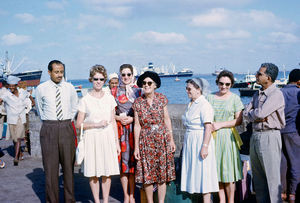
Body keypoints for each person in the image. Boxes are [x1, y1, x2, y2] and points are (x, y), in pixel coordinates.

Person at [35, 60, 78, 203]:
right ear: (49, 72)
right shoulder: (41, 89)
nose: (60, 75)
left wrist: (65, 122)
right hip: (49, 128)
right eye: (56, 72)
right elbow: (40, 110)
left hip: (66, 127)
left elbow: (74, 107)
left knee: (68, 169)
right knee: (51, 170)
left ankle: (69, 200)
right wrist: (51, 124)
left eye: (61, 72)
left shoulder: (69, 88)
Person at [76, 65, 120, 203]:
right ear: (91, 79)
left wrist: (116, 142)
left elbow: (113, 121)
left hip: (107, 138)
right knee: (93, 173)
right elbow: (78, 124)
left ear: (105, 80)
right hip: (91, 138)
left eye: (101, 79)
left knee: (107, 172)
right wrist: (96, 124)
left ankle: (105, 201)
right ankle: (96, 200)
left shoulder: (109, 98)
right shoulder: (84, 100)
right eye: (96, 78)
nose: (99, 81)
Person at [243, 63, 285, 203]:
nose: (256, 75)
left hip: (270, 136)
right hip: (256, 135)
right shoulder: (257, 93)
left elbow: (260, 113)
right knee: (259, 179)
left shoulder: (276, 94)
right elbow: (246, 113)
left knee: (272, 180)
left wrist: (254, 114)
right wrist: (256, 115)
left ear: (268, 77)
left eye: (259, 74)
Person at [133, 71, 176, 203]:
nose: (146, 85)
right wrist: (136, 147)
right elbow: (137, 125)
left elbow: (167, 119)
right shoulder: (138, 103)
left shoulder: (162, 99)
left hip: (162, 138)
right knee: (148, 174)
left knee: (162, 173)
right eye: (144, 83)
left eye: (149, 83)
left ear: (155, 85)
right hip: (145, 140)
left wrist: (171, 139)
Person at [207, 70, 244, 203]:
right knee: (217, 171)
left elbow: (238, 120)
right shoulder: (209, 97)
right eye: (221, 83)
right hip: (213, 138)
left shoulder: (235, 98)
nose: (224, 87)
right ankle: (222, 200)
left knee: (228, 173)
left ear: (231, 84)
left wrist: (220, 125)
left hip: (228, 138)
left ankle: (231, 201)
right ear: (217, 83)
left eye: (227, 84)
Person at [181, 78, 219, 202]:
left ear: (199, 90)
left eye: (189, 89)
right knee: (195, 172)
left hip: (200, 140)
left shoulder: (205, 105)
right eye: (186, 88)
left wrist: (205, 146)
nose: (187, 91)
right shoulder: (191, 103)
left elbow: (208, 127)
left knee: (204, 173)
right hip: (191, 140)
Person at [114, 64, 141, 203]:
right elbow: (109, 113)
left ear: (132, 75)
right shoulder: (113, 91)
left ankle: (132, 194)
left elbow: (143, 113)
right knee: (123, 166)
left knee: (133, 165)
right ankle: (126, 195)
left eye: (128, 74)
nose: (126, 77)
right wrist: (119, 118)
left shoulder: (139, 91)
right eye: (123, 74)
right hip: (120, 131)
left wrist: (132, 118)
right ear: (120, 75)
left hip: (135, 130)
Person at [0, 75, 32, 166]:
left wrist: (32, 103)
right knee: (14, 139)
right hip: (11, 119)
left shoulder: (22, 92)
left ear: (16, 85)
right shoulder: (6, 94)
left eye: (13, 86)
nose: (11, 88)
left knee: (18, 138)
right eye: (9, 86)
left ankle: (16, 157)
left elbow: (29, 95)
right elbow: (1, 100)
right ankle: (19, 153)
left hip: (21, 119)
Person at [280, 68, 300, 203]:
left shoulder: (279, 92)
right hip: (293, 132)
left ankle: (282, 192)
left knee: (282, 164)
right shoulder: (298, 93)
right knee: (296, 163)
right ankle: (292, 193)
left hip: (278, 131)